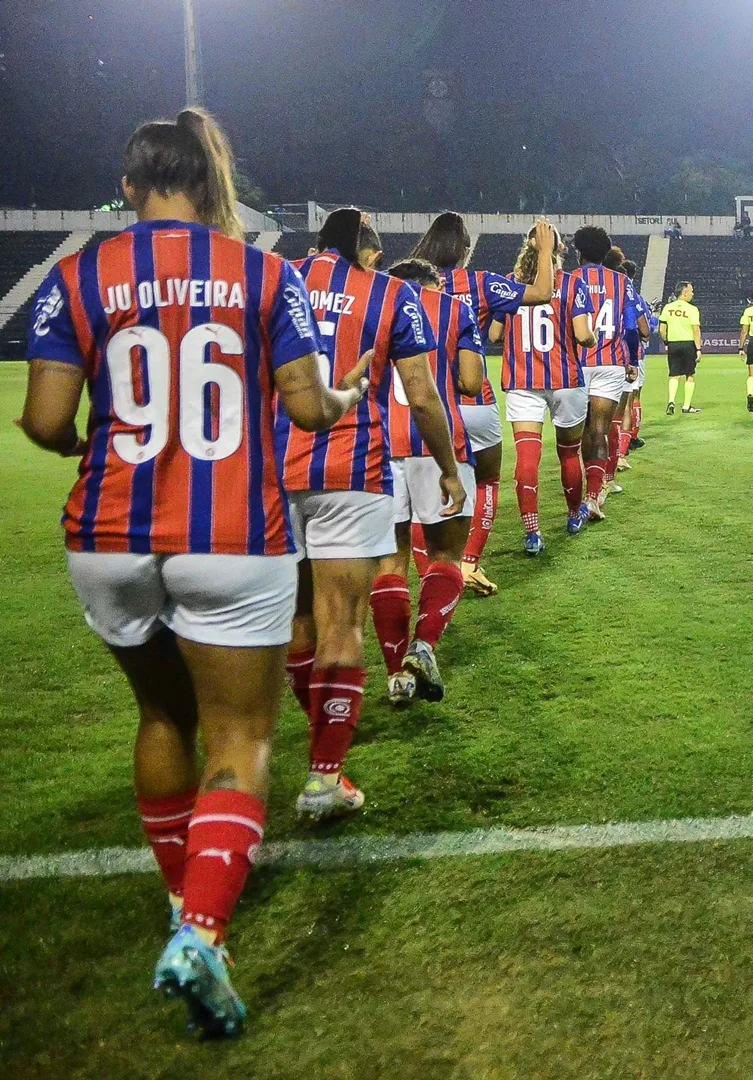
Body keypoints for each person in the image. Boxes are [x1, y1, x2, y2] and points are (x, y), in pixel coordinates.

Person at [18, 108, 365, 1037]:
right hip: (231, 536)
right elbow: (304, 408)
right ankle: (205, 931)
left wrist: (103, 446)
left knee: (161, 713)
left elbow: (47, 420)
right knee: (241, 735)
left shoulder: (76, 273)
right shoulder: (263, 272)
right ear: (213, 187)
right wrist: (346, 395)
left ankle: (182, 905)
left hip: (108, 533)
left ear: (129, 188)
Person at [281, 215, 451, 810]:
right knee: (341, 621)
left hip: (273, 472)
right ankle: (325, 774)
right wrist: (450, 468)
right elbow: (423, 395)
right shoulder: (389, 293)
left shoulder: (276, 278)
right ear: (367, 252)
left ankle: (319, 744)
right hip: (351, 468)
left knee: (297, 622)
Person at [409, 213, 557, 597]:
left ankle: (432, 575)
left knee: (416, 494)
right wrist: (544, 251)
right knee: (488, 480)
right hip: (474, 402)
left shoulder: (400, 285)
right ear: (465, 249)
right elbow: (541, 292)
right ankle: (469, 563)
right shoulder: (481, 283)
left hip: (416, 404)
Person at [372, 258, 482, 707]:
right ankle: (425, 646)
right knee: (446, 556)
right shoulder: (454, 309)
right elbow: (472, 382)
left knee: (390, 564)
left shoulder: (375, 305)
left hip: (378, 447)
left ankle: (397, 676)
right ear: (435, 283)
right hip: (439, 445)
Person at [498, 227, 594, 552]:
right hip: (565, 379)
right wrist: (592, 339)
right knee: (569, 453)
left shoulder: (509, 283)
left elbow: (495, 333)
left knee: (527, 459)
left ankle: (532, 533)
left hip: (522, 382)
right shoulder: (571, 283)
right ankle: (573, 514)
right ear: (560, 247)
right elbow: (583, 336)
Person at [570, 229, 642, 519]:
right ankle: (594, 495)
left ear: (579, 252)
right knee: (599, 429)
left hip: (576, 362)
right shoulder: (621, 281)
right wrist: (632, 359)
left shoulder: (569, 279)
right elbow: (632, 328)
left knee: (575, 435)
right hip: (610, 362)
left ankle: (575, 501)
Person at [616, 257, 654, 469]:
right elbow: (645, 330)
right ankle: (625, 445)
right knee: (630, 400)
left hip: (598, 356)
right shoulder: (634, 297)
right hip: (631, 354)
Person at [661, 281, 702, 415]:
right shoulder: (692, 309)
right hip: (688, 344)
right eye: (691, 290)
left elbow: (662, 328)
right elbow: (695, 329)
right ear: (684, 293)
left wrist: (666, 342)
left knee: (674, 374)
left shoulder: (667, 307)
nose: (693, 293)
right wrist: (698, 349)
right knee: (690, 374)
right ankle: (686, 406)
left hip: (673, 343)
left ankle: (671, 401)